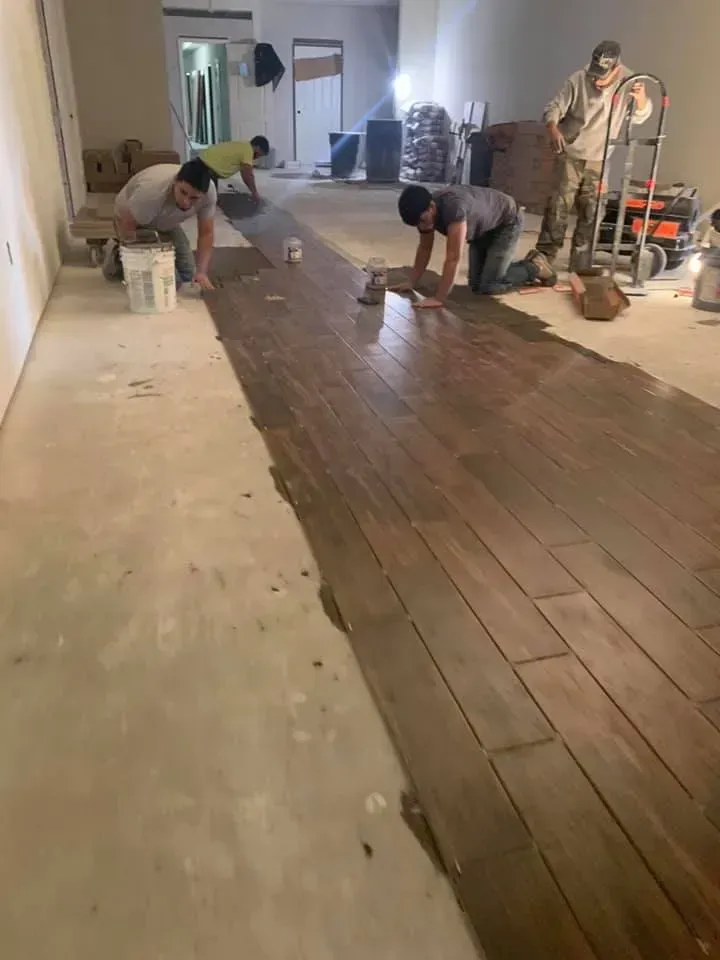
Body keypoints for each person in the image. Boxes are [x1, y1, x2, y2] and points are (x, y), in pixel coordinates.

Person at [538, 40, 653, 269]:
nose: (597, 80)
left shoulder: (629, 82)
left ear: (616, 69)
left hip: (600, 157)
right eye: (594, 75)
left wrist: (641, 100)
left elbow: (640, 116)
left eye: (602, 76)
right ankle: (545, 256)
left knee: (593, 208)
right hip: (571, 152)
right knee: (559, 205)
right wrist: (553, 127)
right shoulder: (578, 79)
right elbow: (554, 107)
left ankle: (580, 259)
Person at [392, 184, 555, 308]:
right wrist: (411, 282)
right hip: (481, 230)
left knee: (489, 285)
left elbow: (453, 258)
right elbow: (425, 248)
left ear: (432, 207)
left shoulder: (454, 208)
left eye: (423, 221)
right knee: (475, 285)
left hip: (507, 222)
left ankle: (534, 266)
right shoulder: (424, 212)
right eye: (417, 224)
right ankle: (504, 267)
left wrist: (438, 299)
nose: (423, 227)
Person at [103, 159, 217, 291]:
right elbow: (127, 223)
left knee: (188, 274)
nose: (186, 202)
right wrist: (131, 258)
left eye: (194, 198)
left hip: (166, 220)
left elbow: (206, 233)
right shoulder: (151, 192)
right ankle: (116, 255)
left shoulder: (209, 194)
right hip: (132, 219)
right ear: (175, 181)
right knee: (169, 281)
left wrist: (202, 272)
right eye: (183, 192)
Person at [198, 136, 270, 203]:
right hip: (204, 167)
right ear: (257, 148)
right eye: (260, 155)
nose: (257, 158)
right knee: (206, 203)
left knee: (213, 197)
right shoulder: (248, 150)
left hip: (204, 163)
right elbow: (248, 176)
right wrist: (255, 193)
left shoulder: (243, 145)